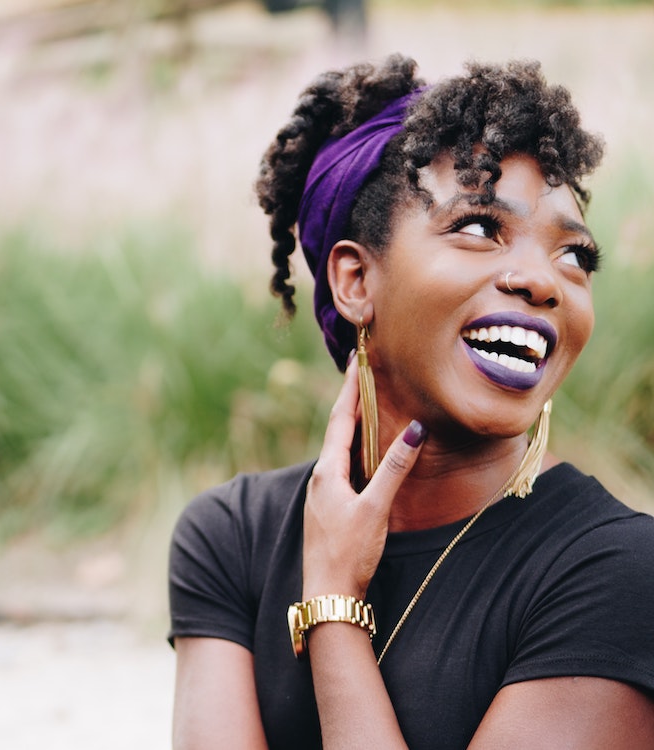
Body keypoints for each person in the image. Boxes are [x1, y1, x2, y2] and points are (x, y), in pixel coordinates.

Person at [168, 54, 654, 749]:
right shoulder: (232, 539)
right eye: (481, 227)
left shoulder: (618, 574)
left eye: (575, 256)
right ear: (356, 282)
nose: (544, 281)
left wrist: (334, 608)